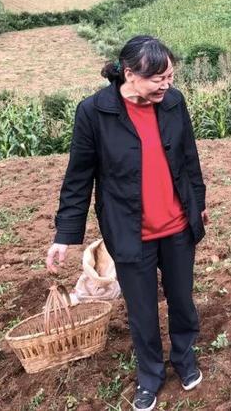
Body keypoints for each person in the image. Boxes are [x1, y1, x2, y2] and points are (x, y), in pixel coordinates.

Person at [46, 36, 208, 411]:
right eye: (158, 78)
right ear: (130, 74)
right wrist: (64, 236)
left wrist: (197, 204)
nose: (166, 85)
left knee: (182, 300)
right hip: (130, 230)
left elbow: (189, 158)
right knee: (142, 309)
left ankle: (184, 359)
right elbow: (79, 177)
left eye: (170, 76)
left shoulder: (173, 102)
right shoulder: (94, 112)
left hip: (177, 224)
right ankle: (150, 375)